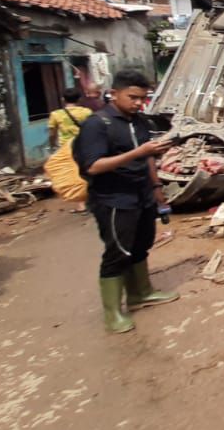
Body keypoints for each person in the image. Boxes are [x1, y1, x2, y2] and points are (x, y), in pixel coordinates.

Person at [73, 69, 177, 334]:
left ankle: (141, 292)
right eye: (132, 97)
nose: (138, 103)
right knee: (117, 253)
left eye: (142, 98)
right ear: (113, 93)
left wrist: (156, 186)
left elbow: (148, 158)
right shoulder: (98, 124)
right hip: (114, 198)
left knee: (142, 244)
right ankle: (112, 314)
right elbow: (93, 166)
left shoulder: (139, 121)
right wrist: (138, 152)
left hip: (142, 194)